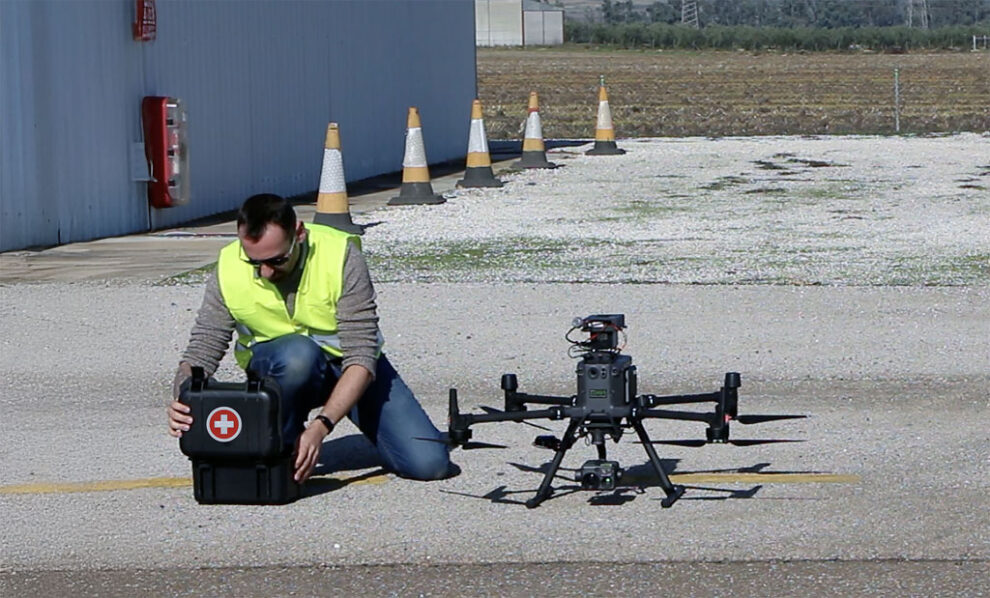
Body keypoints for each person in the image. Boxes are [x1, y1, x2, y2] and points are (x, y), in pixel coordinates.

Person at [167, 193, 449, 483]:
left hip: (350, 371)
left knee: (429, 464)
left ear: (298, 234)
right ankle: (281, 449)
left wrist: (321, 427)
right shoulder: (228, 265)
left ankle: (308, 431)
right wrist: (185, 396)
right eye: (254, 262)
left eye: (276, 260)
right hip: (283, 370)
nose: (264, 272)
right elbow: (202, 349)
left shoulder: (340, 256)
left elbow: (362, 358)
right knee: (298, 356)